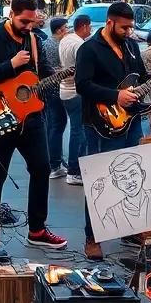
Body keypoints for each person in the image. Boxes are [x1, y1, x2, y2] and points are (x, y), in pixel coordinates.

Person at [0, 0, 68, 250]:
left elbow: (42, 74)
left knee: (41, 169)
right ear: (11, 14)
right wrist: (11, 64)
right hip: (1, 115)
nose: (28, 27)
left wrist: (59, 78)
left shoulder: (35, 40)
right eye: (23, 21)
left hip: (32, 118)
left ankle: (37, 229)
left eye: (32, 22)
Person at [75, 2, 150, 259]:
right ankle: (92, 236)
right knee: (100, 178)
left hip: (131, 120)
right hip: (101, 123)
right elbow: (83, 85)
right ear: (109, 23)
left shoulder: (131, 46)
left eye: (131, 27)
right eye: (124, 27)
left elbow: (141, 76)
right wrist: (115, 96)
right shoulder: (89, 49)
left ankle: (129, 228)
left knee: (133, 174)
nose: (129, 32)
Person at [58, 15, 90, 186]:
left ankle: (77, 168)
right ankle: (74, 171)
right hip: (75, 92)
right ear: (84, 27)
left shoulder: (66, 39)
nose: (90, 30)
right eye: (89, 27)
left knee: (77, 131)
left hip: (65, 90)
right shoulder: (80, 45)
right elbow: (82, 70)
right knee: (79, 132)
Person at [42, 17, 68, 178]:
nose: (68, 30)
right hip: (56, 89)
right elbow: (55, 69)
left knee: (51, 125)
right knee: (58, 125)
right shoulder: (58, 45)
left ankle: (52, 160)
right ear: (60, 30)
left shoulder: (46, 43)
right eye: (66, 27)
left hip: (47, 89)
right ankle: (55, 163)